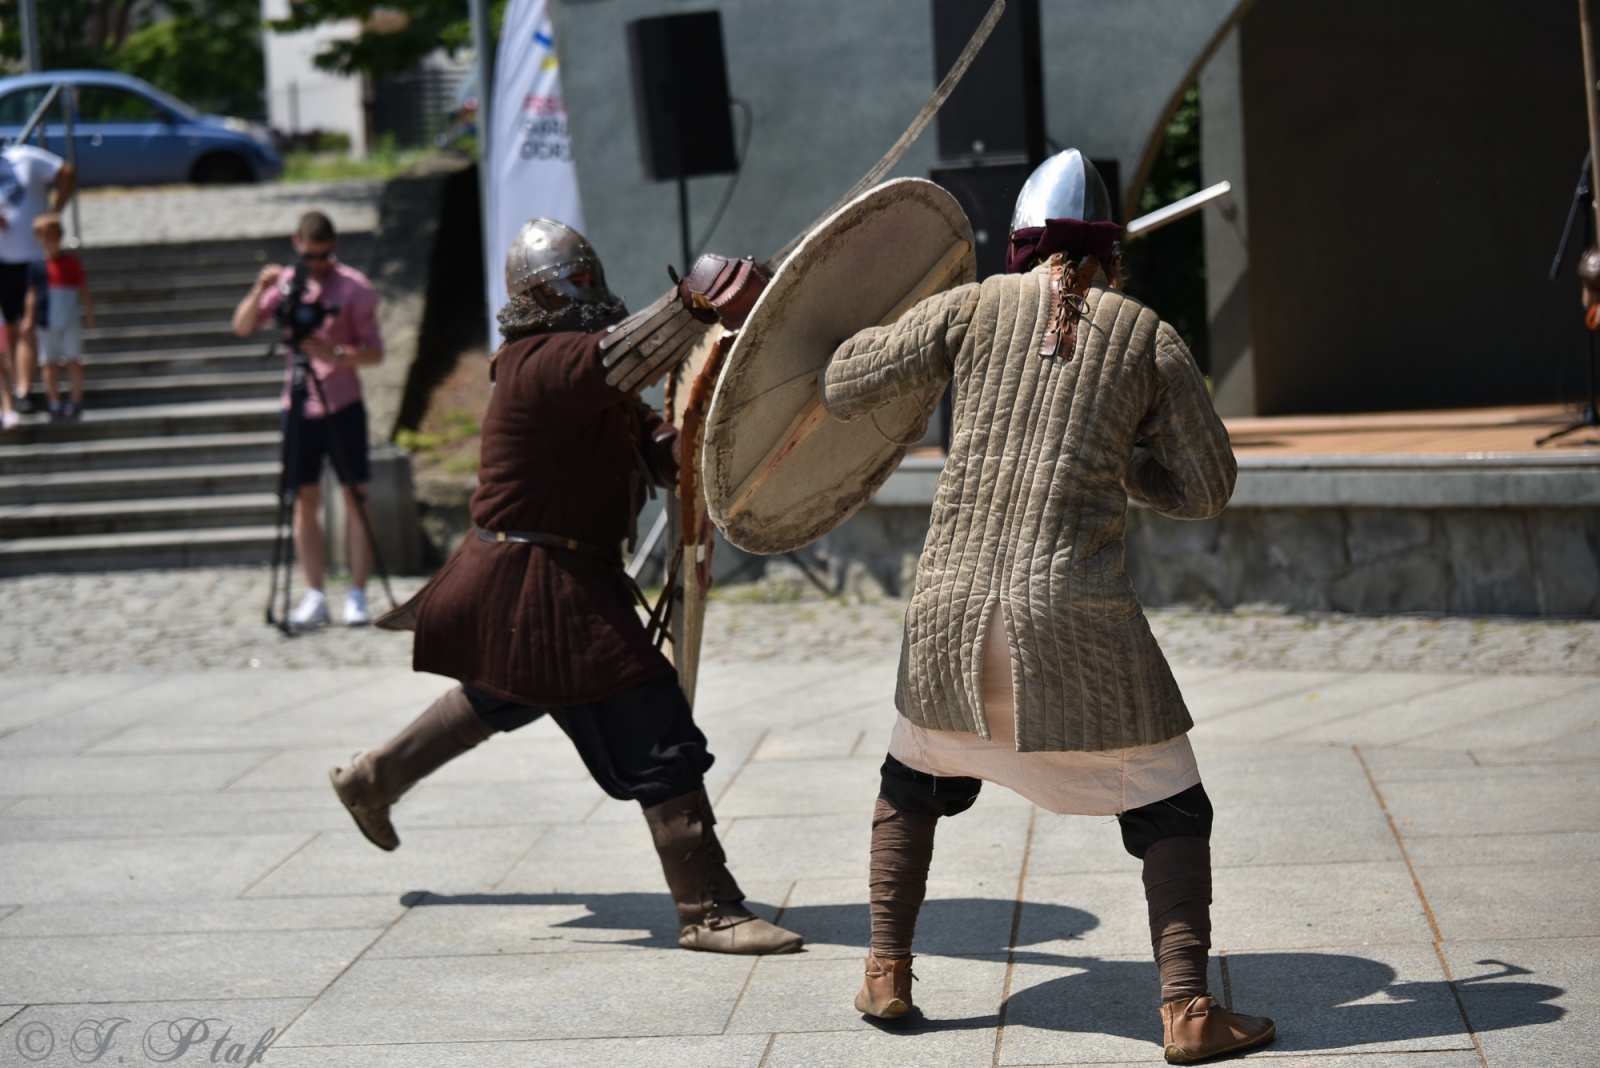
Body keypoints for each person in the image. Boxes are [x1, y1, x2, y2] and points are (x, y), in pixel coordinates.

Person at [819, 150, 1274, 1065]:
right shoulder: (1144, 334)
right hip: (1069, 623)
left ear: (1022, 245)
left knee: (913, 781)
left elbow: (840, 382)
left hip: (949, 617)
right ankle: (1185, 1011)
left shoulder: (970, 307)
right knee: (1173, 808)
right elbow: (1209, 484)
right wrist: (1124, 468)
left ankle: (886, 971)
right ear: (1109, 251)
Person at [329, 218, 802, 956]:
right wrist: (693, 304)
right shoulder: (538, 363)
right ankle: (708, 910)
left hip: (550, 580)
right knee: (657, 735)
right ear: (544, 293)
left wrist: (707, 424)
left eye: (590, 277)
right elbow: (616, 360)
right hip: (538, 586)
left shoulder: (585, 378)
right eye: (574, 281)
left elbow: (648, 432)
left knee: (502, 691)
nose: (588, 291)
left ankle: (372, 779)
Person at [232, 211, 383, 627]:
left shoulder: (354, 287)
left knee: (355, 497)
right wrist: (259, 288)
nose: (317, 263)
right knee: (305, 500)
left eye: (325, 255)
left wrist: (335, 354)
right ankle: (315, 593)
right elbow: (243, 326)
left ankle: (357, 593)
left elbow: (375, 352)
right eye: (309, 254)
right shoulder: (286, 284)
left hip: (343, 401)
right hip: (298, 403)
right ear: (296, 244)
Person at [0, 142, 75, 428]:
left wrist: (54, 214)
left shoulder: (25, 157)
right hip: (2, 259)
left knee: (26, 326)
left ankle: (22, 390)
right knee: (9, 329)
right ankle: (12, 394)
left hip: (30, 259)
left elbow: (66, 171)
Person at [30, 214, 95, 421]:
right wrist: (28, 319)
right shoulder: (36, 267)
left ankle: (75, 400)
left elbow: (83, 289)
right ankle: (54, 401)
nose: (50, 240)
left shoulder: (71, 262)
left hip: (69, 320)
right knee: (49, 362)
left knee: (73, 360)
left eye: (54, 235)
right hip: (45, 321)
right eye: (45, 236)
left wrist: (89, 312)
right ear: (39, 238)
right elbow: (31, 296)